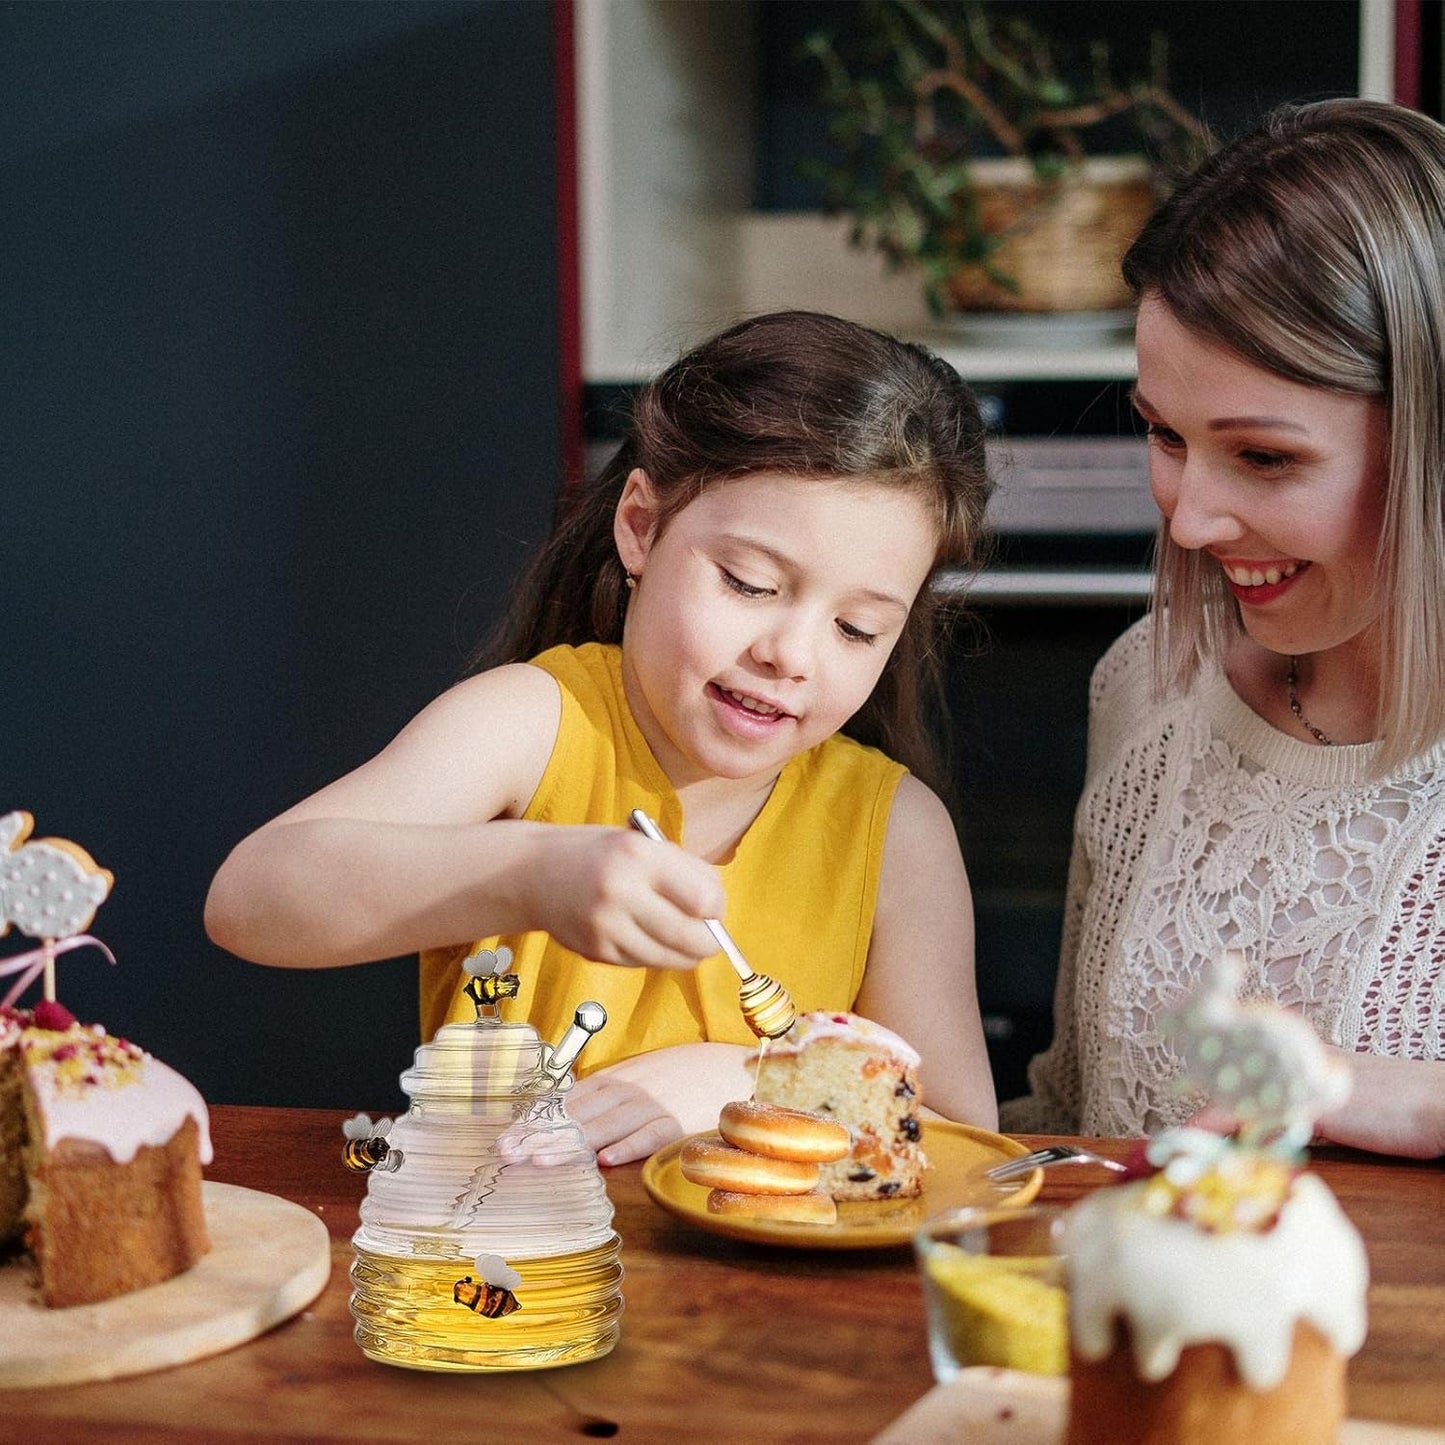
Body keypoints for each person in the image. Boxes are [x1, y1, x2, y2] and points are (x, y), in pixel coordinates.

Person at [206, 309, 1000, 1163]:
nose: (790, 656)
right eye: (749, 582)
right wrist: (534, 874)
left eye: (855, 629)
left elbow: (964, 1132)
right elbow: (249, 899)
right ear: (640, 527)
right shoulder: (533, 724)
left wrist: (746, 1076)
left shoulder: (895, 832)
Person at [1002, 100, 1445, 1160]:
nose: (1188, 518)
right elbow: (1068, 1113)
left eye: (1261, 457)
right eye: (1161, 433)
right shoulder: (1145, 685)